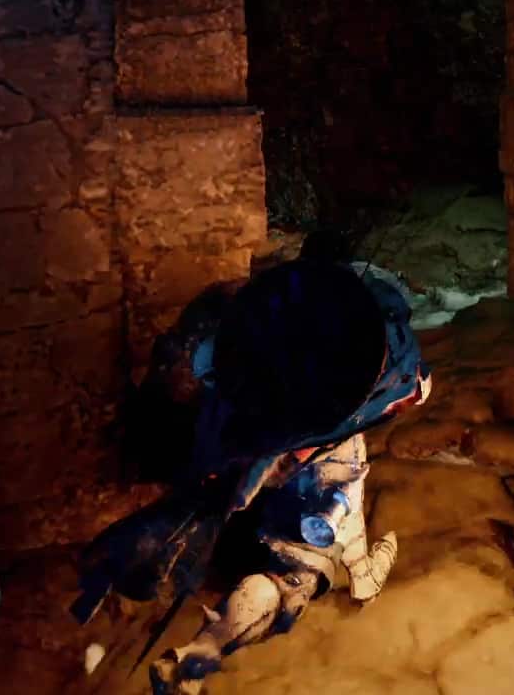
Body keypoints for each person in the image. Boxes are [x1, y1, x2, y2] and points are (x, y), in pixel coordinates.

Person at [72, 233, 432, 695]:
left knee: (314, 522)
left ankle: (197, 647)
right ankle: (197, 651)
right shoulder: (318, 340)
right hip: (299, 429)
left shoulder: (356, 359)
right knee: (297, 569)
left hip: (312, 431)